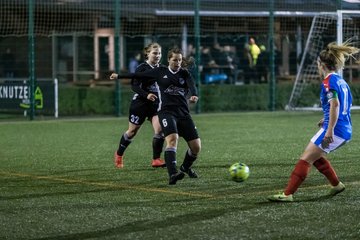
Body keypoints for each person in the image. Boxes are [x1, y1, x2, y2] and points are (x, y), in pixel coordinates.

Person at [268, 40, 359, 202]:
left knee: (305, 158)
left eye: (318, 64)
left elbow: (335, 105)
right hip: (344, 129)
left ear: (322, 65)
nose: (317, 67)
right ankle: (336, 185)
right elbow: (345, 104)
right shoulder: (341, 81)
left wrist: (329, 129)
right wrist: (326, 118)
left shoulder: (328, 82)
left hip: (335, 130)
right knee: (314, 157)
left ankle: (288, 194)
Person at [110, 47, 201, 185]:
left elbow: (192, 85)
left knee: (196, 147)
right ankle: (172, 174)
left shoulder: (184, 73)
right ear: (169, 60)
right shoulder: (160, 72)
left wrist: (194, 94)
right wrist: (119, 76)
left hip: (183, 113)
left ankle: (184, 167)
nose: (177, 63)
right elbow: (139, 76)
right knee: (172, 139)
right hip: (166, 112)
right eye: (175, 60)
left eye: (180, 60)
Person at [113, 43, 166, 169]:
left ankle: (156, 159)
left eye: (159, 53)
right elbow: (134, 86)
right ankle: (119, 154)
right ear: (147, 53)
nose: (157, 55)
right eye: (154, 53)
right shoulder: (142, 68)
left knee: (160, 130)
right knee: (132, 132)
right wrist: (146, 94)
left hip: (155, 105)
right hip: (140, 104)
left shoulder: (163, 68)